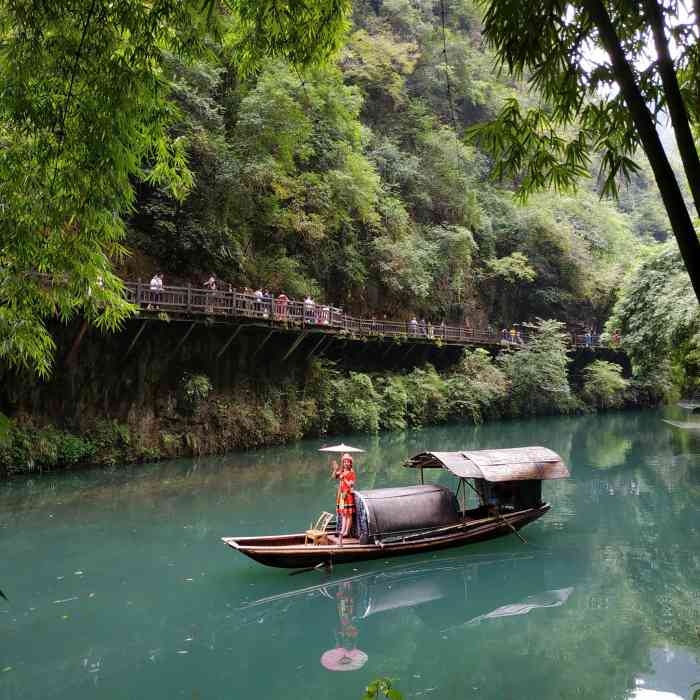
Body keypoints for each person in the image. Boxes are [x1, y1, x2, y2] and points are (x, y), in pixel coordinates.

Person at [333, 454, 357, 545]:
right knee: (343, 513)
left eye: (348, 461)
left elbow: (351, 485)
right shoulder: (341, 471)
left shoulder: (351, 472)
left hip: (348, 494)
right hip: (342, 495)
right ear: (343, 462)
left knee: (349, 514)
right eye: (344, 461)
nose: (346, 463)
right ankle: (342, 530)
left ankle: (346, 531)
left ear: (350, 463)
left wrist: (344, 478)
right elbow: (334, 477)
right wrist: (335, 469)